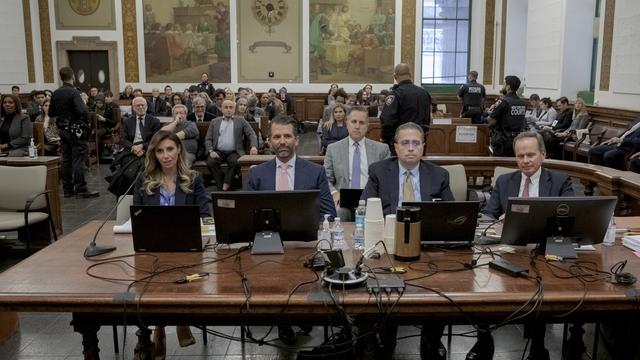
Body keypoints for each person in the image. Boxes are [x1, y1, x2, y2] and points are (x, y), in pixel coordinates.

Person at [479, 132, 574, 360]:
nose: (525, 160)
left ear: (543, 155)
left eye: (530, 154)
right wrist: (496, 221)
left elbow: (572, 217)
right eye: (520, 156)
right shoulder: (504, 181)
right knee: (482, 285)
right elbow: (486, 216)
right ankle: (483, 340)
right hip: (510, 251)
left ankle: (538, 344)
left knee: (548, 288)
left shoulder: (561, 181)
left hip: (547, 249)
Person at [133, 130, 209, 358]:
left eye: (170, 149)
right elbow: (136, 214)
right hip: (153, 246)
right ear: (153, 154)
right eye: (159, 151)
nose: (165, 155)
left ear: (178, 151)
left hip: (187, 247)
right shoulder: (144, 179)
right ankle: (168, 324)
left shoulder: (193, 178)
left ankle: (165, 326)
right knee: (151, 276)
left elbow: (205, 215)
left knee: (176, 275)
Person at [246, 114, 336, 219]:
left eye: (287, 136)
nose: (282, 142)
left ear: (296, 140)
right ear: (269, 142)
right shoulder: (256, 174)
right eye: (277, 137)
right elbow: (246, 213)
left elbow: (328, 214)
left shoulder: (316, 172)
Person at [361, 122, 454, 215]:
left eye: (416, 143)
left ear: (423, 147)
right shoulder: (378, 172)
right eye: (405, 143)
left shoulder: (439, 175)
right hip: (390, 226)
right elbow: (365, 209)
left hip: (425, 227)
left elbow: (451, 212)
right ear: (396, 147)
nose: (410, 148)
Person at [324, 106, 390, 220]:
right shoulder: (333, 149)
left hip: (371, 200)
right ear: (347, 123)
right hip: (343, 200)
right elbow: (325, 177)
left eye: (362, 123)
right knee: (339, 212)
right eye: (353, 122)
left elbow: (386, 180)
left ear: (367, 126)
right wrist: (334, 193)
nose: (357, 126)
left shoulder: (381, 149)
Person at [48, 68, 99, 198]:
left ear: (61, 78)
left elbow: (51, 113)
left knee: (66, 159)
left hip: (62, 130)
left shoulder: (56, 93)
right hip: (75, 130)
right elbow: (82, 110)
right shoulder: (74, 92)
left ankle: (68, 190)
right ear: (73, 77)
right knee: (78, 159)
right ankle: (81, 188)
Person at [205, 99, 258, 191]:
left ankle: (225, 185)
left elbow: (251, 134)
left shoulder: (240, 120)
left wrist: (253, 146)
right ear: (221, 109)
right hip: (218, 151)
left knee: (235, 162)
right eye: (226, 107)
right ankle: (222, 185)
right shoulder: (214, 121)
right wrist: (211, 151)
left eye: (231, 107)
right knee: (211, 162)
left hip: (234, 151)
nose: (228, 110)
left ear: (234, 109)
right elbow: (208, 138)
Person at [380, 63, 431, 152]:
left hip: (401, 142)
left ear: (395, 77)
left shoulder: (396, 94)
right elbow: (427, 119)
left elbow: (387, 119)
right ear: (410, 75)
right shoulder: (424, 93)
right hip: (419, 141)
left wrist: (385, 137)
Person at [487, 75, 527, 157]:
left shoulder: (504, 102)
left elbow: (491, 120)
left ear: (508, 87)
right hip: (519, 139)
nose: (503, 86)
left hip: (504, 141)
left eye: (504, 84)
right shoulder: (522, 103)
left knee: (500, 166)